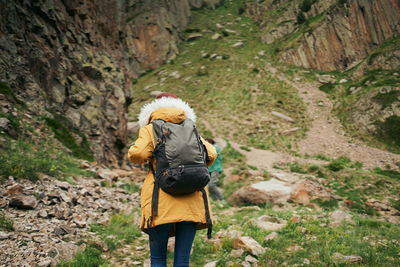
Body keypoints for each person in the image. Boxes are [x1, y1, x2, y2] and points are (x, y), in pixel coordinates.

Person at [128, 92, 217, 267]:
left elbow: (137, 155)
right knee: (182, 260)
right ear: (181, 107)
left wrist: (150, 154)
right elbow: (211, 154)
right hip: (192, 199)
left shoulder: (150, 128)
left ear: (153, 108)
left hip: (161, 200)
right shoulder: (190, 128)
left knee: (158, 258)